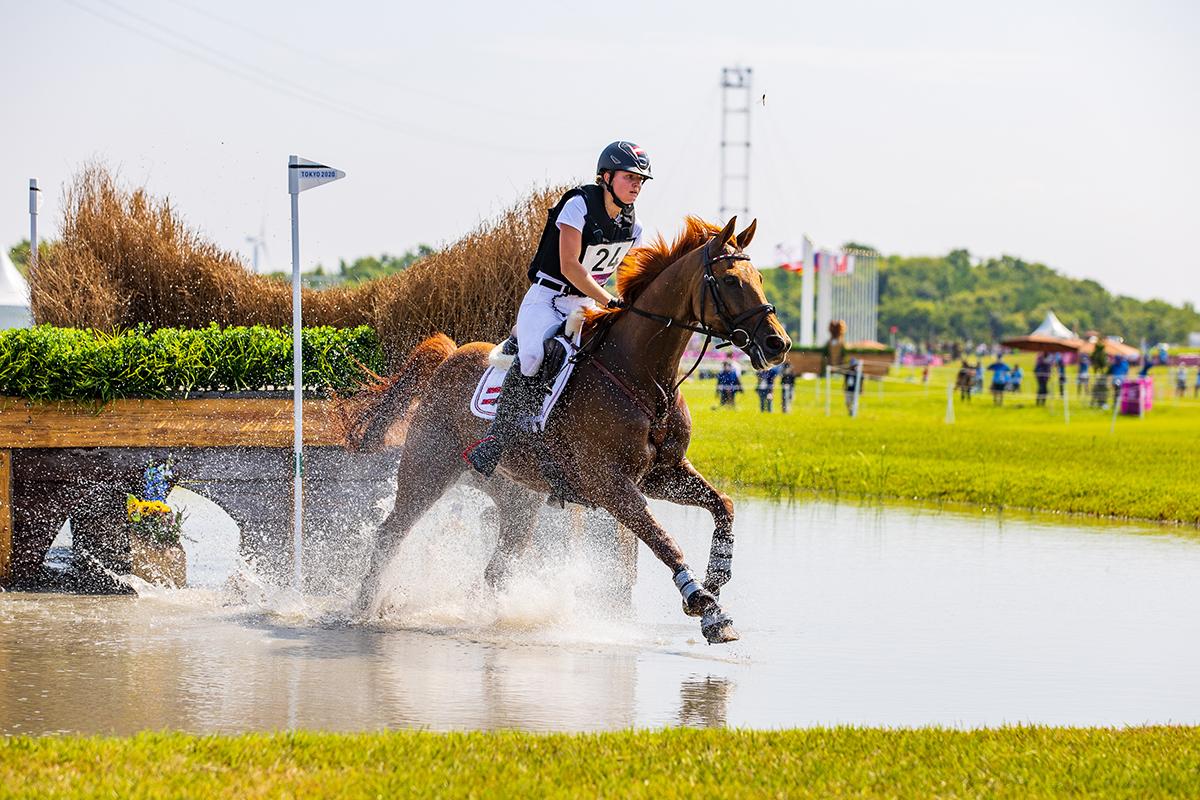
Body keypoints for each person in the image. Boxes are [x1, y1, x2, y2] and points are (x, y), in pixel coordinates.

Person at [465, 141, 650, 475]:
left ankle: (572, 445)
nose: (636, 185)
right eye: (629, 177)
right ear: (606, 177)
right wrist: (609, 302)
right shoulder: (578, 205)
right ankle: (496, 439)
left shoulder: (633, 228)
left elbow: (624, 276)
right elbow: (570, 267)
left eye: (641, 180)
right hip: (547, 299)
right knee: (535, 356)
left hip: (585, 305)